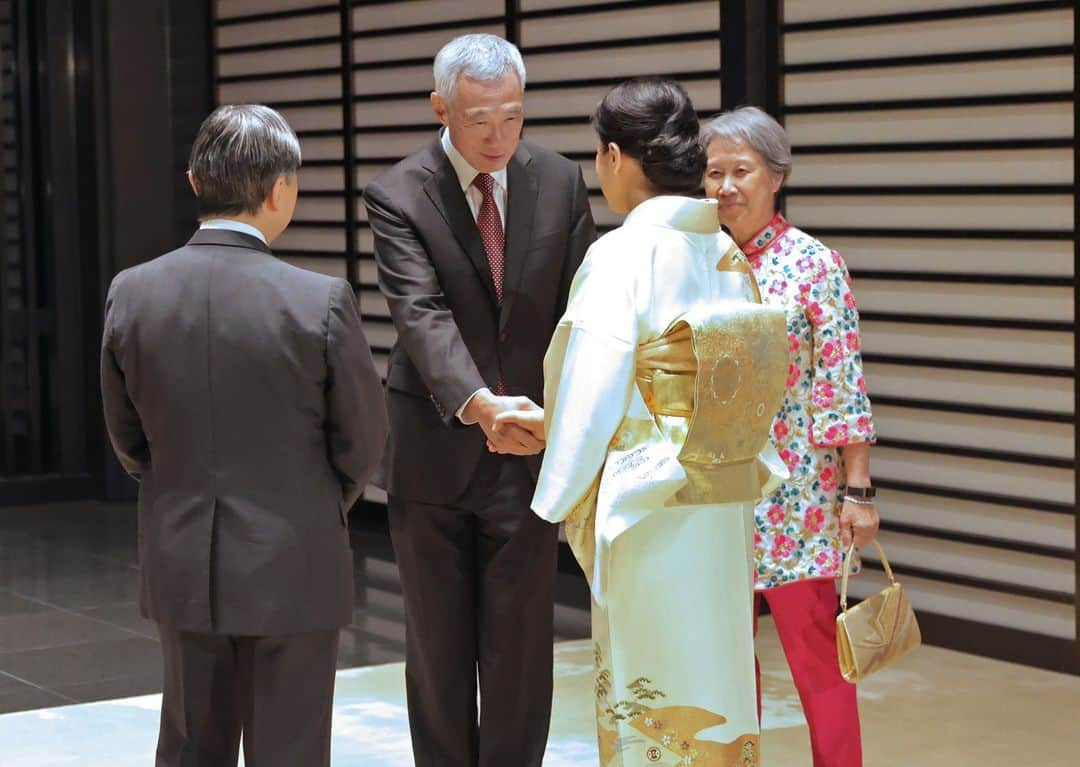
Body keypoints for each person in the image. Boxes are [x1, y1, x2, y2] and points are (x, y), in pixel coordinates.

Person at [498, 78, 788, 767]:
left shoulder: (625, 254)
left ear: (616, 157)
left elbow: (594, 378)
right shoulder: (723, 252)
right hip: (717, 504)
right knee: (714, 665)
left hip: (648, 502)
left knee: (652, 681)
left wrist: (558, 470)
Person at [100, 104, 387, 767]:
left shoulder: (131, 292)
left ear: (195, 182)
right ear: (280, 189)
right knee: (289, 747)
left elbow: (127, 436)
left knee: (191, 742)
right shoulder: (319, 300)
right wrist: (313, 504)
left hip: (181, 555)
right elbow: (364, 441)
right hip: (295, 558)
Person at [361, 34, 595, 767]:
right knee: (437, 648)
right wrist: (480, 404)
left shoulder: (558, 180)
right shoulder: (399, 192)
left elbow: (579, 309)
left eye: (512, 117)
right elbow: (419, 314)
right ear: (440, 108)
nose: (496, 137)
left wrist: (553, 416)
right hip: (436, 447)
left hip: (527, 450)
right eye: (477, 120)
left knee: (521, 646)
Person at [702, 105, 879, 767]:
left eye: (740, 170)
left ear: (775, 176)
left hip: (797, 499)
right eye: (713, 171)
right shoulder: (698, 261)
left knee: (819, 664)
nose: (725, 186)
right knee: (721, 660)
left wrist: (857, 491)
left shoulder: (814, 263)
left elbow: (842, 380)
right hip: (713, 492)